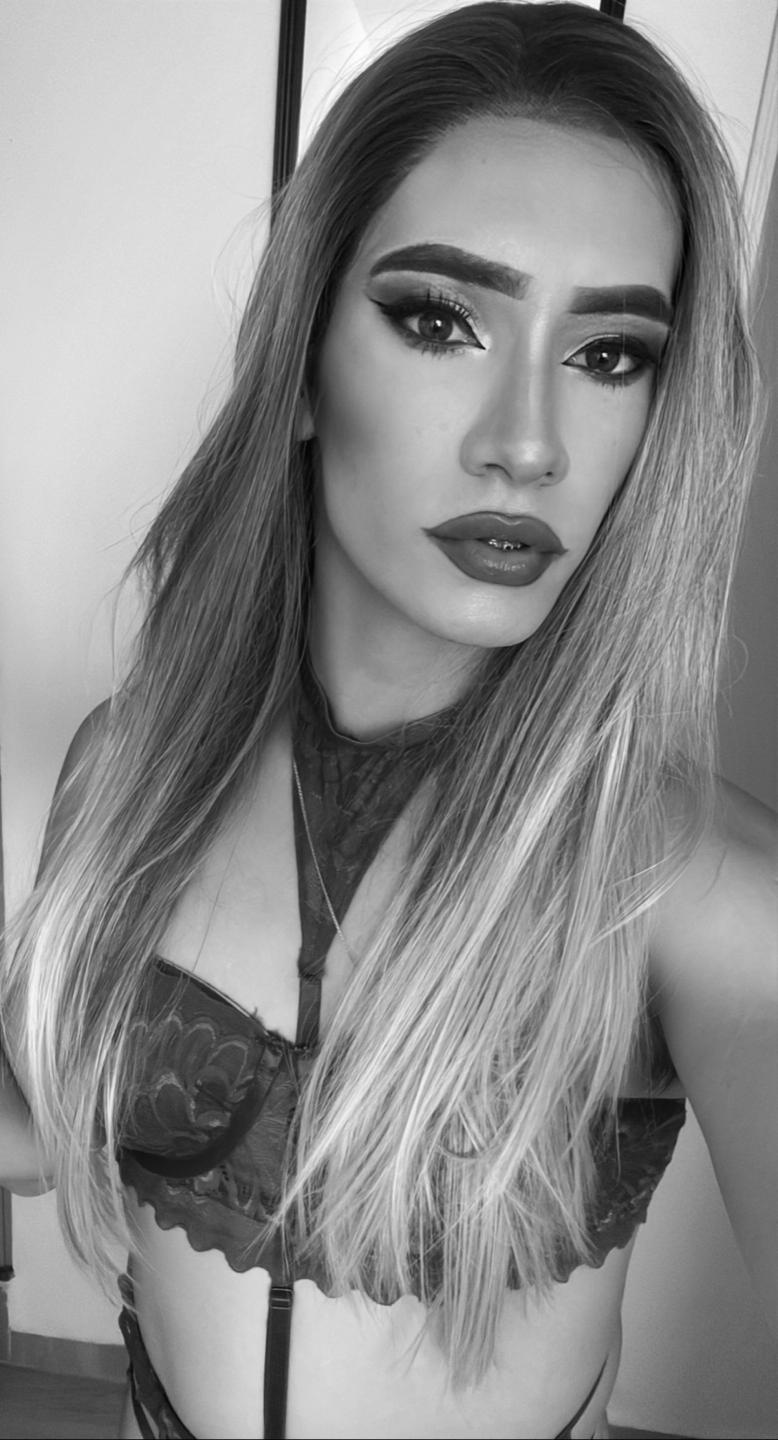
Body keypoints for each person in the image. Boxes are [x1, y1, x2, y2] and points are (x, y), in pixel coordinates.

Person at [1, 3, 776, 1436]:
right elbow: (47, 1123)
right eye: (439, 321)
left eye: (610, 354)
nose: (526, 444)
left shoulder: (693, 894)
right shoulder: (127, 766)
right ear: (302, 365)